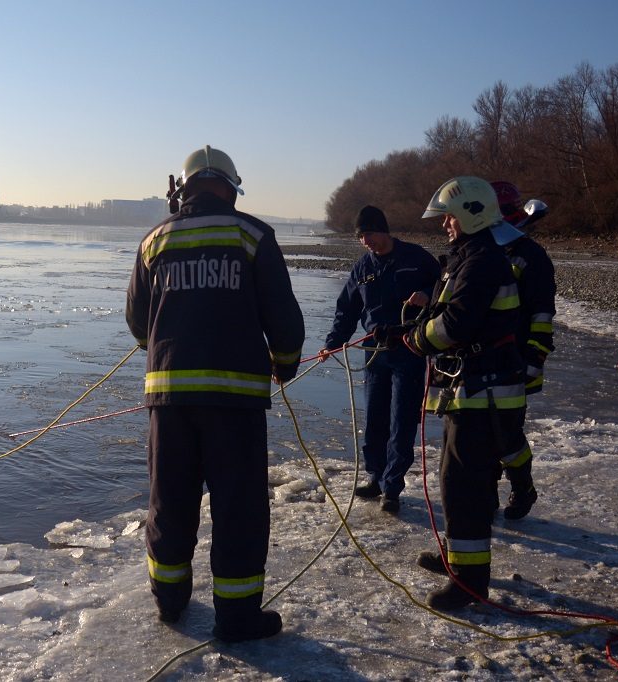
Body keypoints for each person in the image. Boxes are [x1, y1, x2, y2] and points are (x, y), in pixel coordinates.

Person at [126, 145, 305, 642]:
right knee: (238, 506)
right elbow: (283, 317)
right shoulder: (253, 235)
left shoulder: (155, 240)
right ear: (230, 188)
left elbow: (138, 321)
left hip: (169, 400)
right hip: (235, 401)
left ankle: (169, 601)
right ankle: (237, 617)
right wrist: (285, 362)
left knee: (170, 501)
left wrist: (163, 346)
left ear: (182, 189)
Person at [405, 176, 526, 610]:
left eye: (450, 217)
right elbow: (450, 311)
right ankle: (458, 560)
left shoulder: (482, 261)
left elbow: (456, 324)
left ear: (473, 214)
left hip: (484, 392)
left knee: (465, 487)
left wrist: (417, 340)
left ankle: (470, 582)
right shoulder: (469, 258)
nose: (445, 225)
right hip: (472, 390)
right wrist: (411, 324)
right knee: (455, 481)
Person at [321, 205, 440, 514]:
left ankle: (392, 486)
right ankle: (376, 476)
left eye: (369, 234)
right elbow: (346, 310)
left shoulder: (416, 258)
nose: (365, 241)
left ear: (383, 230)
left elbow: (446, 285)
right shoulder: (362, 268)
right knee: (375, 418)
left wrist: (428, 294)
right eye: (360, 237)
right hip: (375, 351)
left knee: (401, 420)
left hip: (409, 349)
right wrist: (333, 344)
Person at [488, 181, 557, 519]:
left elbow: (543, 314)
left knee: (507, 434)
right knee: (479, 432)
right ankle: (486, 492)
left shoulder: (531, 256)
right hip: (481, 360)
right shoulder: (483, 251)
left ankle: (523, 487)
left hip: (516, 360)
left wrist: (534, 358)